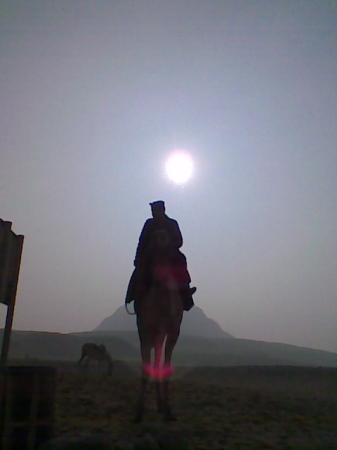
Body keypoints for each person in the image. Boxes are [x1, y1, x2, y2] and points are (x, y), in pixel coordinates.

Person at [125, 200, 196, 311]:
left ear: (162, 210)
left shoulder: (172, 223)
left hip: (169, 253)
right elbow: (142, 241)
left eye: (155, 210)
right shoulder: (149, 224)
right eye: (152, 211)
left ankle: (185, 292)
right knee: (140, 269)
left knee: (181, 259)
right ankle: (134, 294)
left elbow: (179, 241)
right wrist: (138, 257)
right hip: (150, 254)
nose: (153, 213)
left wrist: (167, 244)